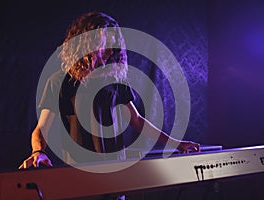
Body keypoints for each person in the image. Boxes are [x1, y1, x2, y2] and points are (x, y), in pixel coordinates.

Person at [19, 12, 200, 170]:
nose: (106, 53)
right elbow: (41, 130)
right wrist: (38, 152)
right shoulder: (60, 82)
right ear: (85, 44)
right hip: (79, 171)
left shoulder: (115, 80)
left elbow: (137, 120)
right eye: (102, 46)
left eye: (110, 48)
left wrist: (177, 144)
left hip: (116, 169)